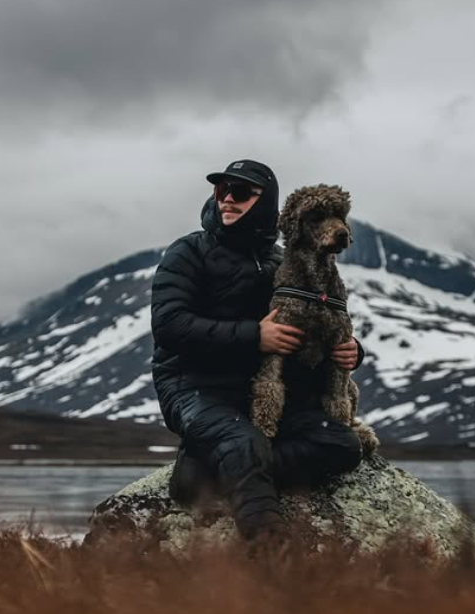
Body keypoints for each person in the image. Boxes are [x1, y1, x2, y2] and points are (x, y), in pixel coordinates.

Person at [150, 159, 365, 543]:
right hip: (193, 388)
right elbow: (169, 326)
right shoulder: (187, 252)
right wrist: (254, 337)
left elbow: (314, 322)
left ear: (267, 204)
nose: (228, 200)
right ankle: (271, 555)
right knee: (242, 441)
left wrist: (349, 351)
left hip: (250, 391)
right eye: (222, 191)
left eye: (242, 193)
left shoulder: (284, 262)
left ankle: (203, 475)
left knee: (342, 444)